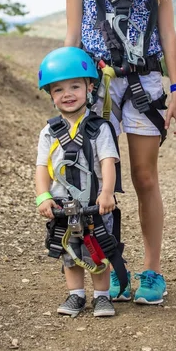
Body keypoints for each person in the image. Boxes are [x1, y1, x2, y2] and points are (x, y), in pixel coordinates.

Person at [65, 0, 176, 305]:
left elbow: (169, 34)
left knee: (143, 176)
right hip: (98, 84)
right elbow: (74, 37)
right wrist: (69, 89)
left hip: (146, 81)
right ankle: (111, 268)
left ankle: (152, 271)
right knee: (101, 176)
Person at [35, 46, 125, 318]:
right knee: (68, 250)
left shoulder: (100, 128)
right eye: (59, 90)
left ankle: (101, 296)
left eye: (75, 86)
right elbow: (42, 168)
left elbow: (109, 162)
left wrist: (107, 193)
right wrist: (44, 197)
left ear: (89, 88)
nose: (68, 94)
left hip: (95, 205)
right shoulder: (49, 133)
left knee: (99, 248)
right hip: (63, 206)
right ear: (51, 95)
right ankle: (76, 295)